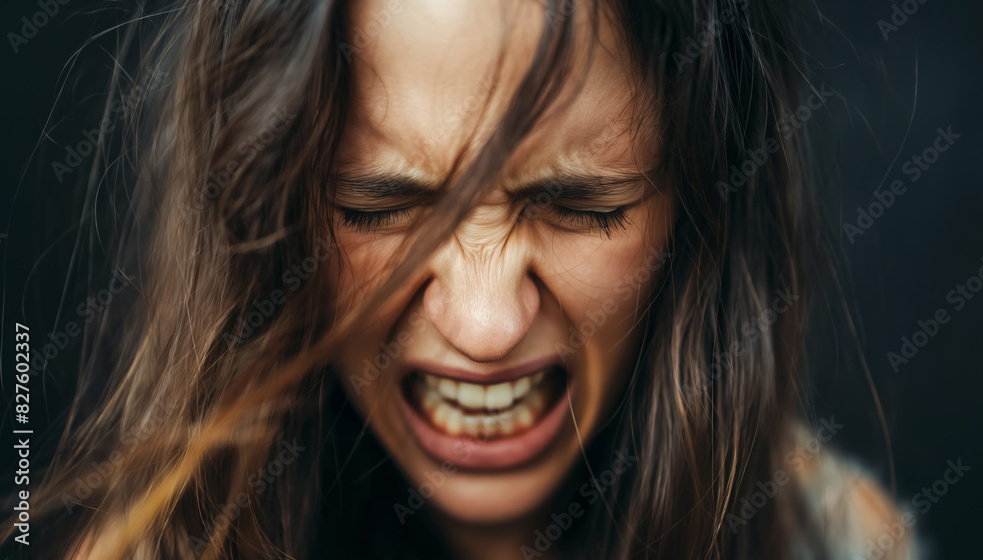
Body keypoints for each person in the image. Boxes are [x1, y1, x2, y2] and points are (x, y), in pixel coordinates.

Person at [9, 0, 919, 558]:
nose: (485, 326)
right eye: (381, 208)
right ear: (260, 214)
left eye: (576, 203)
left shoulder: (831, 540)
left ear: (703, 201)